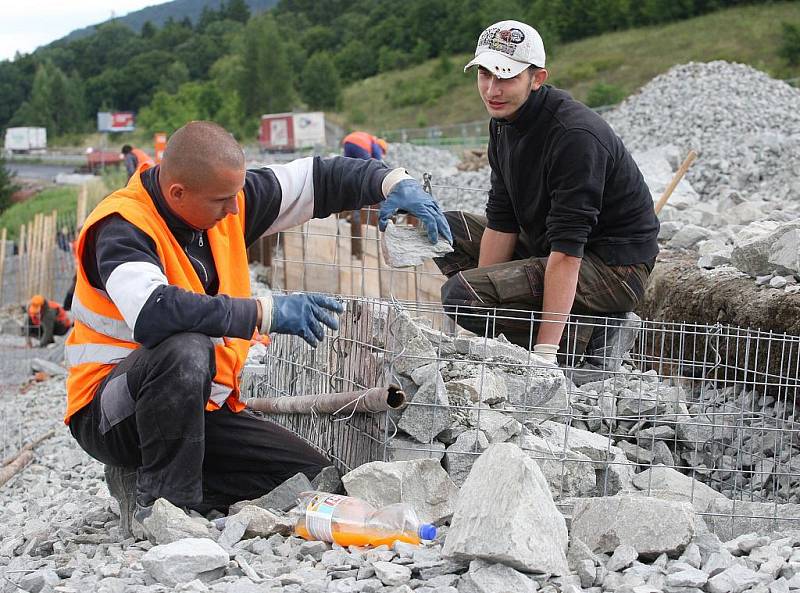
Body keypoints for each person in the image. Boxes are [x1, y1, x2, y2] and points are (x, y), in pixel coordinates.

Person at [65, 121, 451, 538]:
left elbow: (318, 178)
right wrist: (263, 313)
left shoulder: (225, 200)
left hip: (198, 408)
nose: (235, 209)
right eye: (222, 200)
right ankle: (164, 508)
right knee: (185, 347)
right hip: (110, 412)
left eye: (235, 195)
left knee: (308, 477)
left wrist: (392, 182)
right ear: (178, 193)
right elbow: (154, 314)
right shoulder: (122, 227)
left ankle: (166, 479)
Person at [434, 20, 659, 365]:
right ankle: (540, 324)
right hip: (551, 247)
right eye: (484, 74)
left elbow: (569, 251)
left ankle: (586, 337)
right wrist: (482, 295)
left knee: (460, 297)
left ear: (536, 79)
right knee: (436, 228)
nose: (492, 89)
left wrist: (544, 356)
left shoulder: (574, 137)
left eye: (505, 76)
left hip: (613, 268)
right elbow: (503, 219)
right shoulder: (504, 123)